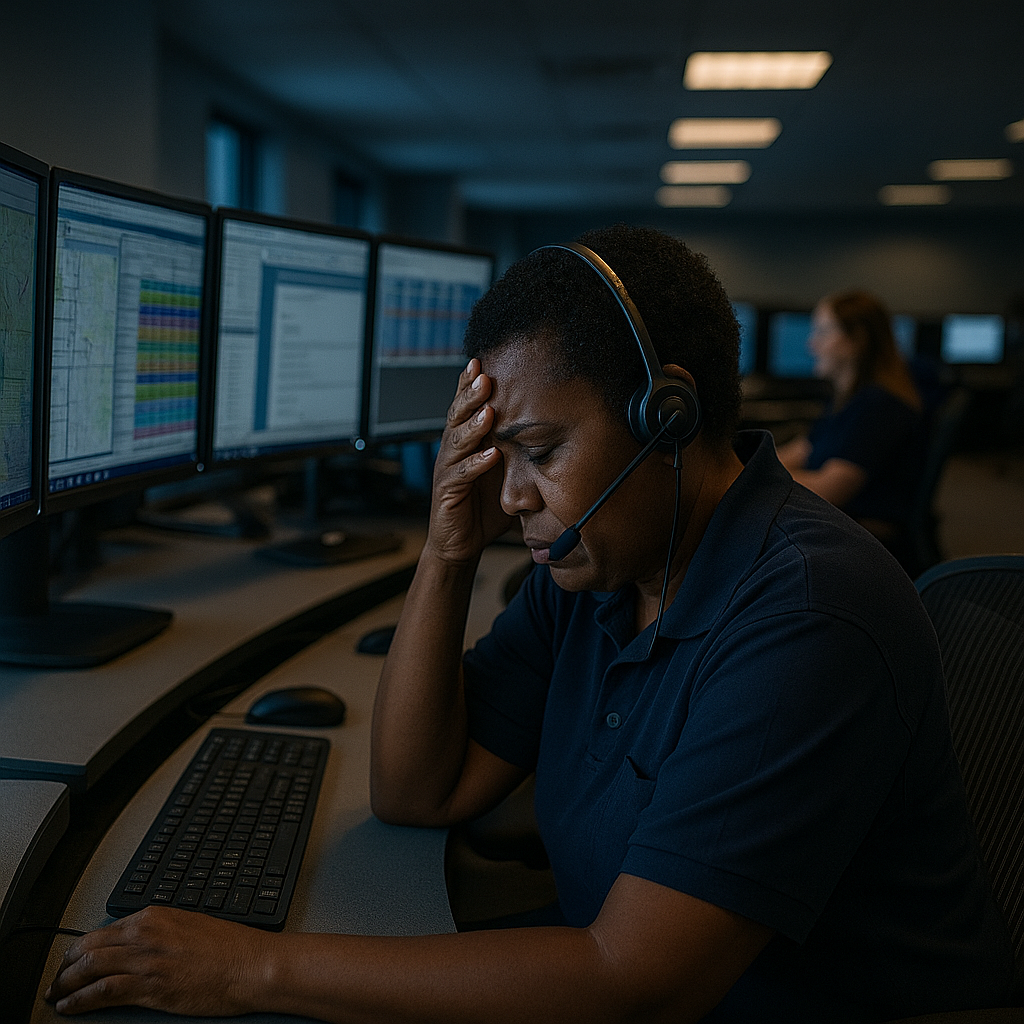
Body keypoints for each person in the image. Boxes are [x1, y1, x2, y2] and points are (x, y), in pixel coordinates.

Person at [46, 226, 1012, 1023]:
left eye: (539, 450)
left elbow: (636, 983)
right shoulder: (595, 567)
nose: (512, 498)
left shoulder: (805, 618)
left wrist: (252, 968)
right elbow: (417, 790)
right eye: (496, 455)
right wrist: (445, 548)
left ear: (665, 415)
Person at [776, 291, 925, 572]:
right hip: (840, 530)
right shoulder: (849, 401)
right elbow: (802, 449)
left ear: (856, 339)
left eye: (822, 331)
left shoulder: (879, 407)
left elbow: (827, 490)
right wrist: (735, 463)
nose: (811, 344)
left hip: (864, 550)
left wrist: (749, 477)